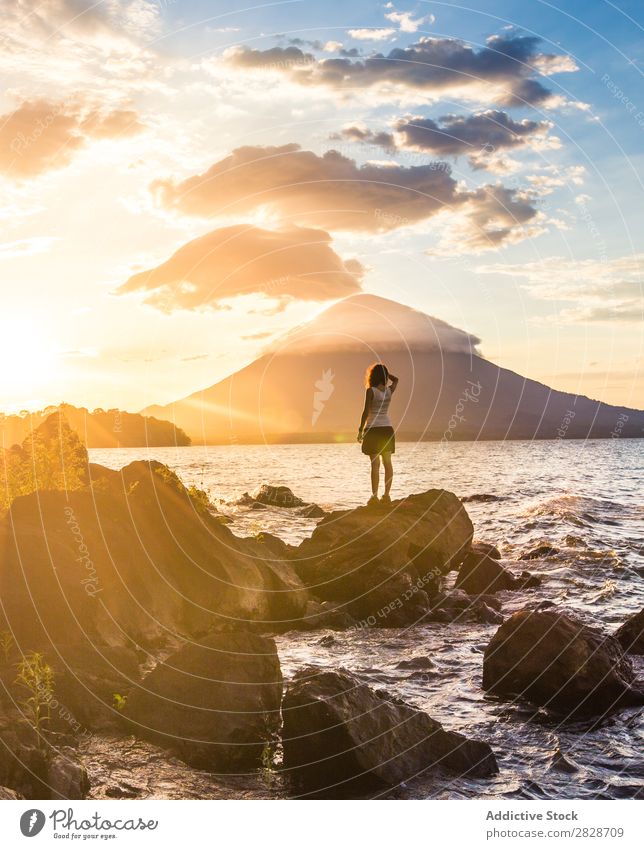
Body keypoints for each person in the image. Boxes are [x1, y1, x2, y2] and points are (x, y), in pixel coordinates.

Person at [357, 363, 398, 505]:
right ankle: (386, 495)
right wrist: (386, 374)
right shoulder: (388, 391)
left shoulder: (371, 391)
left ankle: (374, 497)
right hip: (387, 429)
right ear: (385, 377)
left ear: (373, 376)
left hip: (373, 429)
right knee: (388, 463)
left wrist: (360, 430)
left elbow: (366, 412)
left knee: (375, 465)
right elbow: (396, 380)